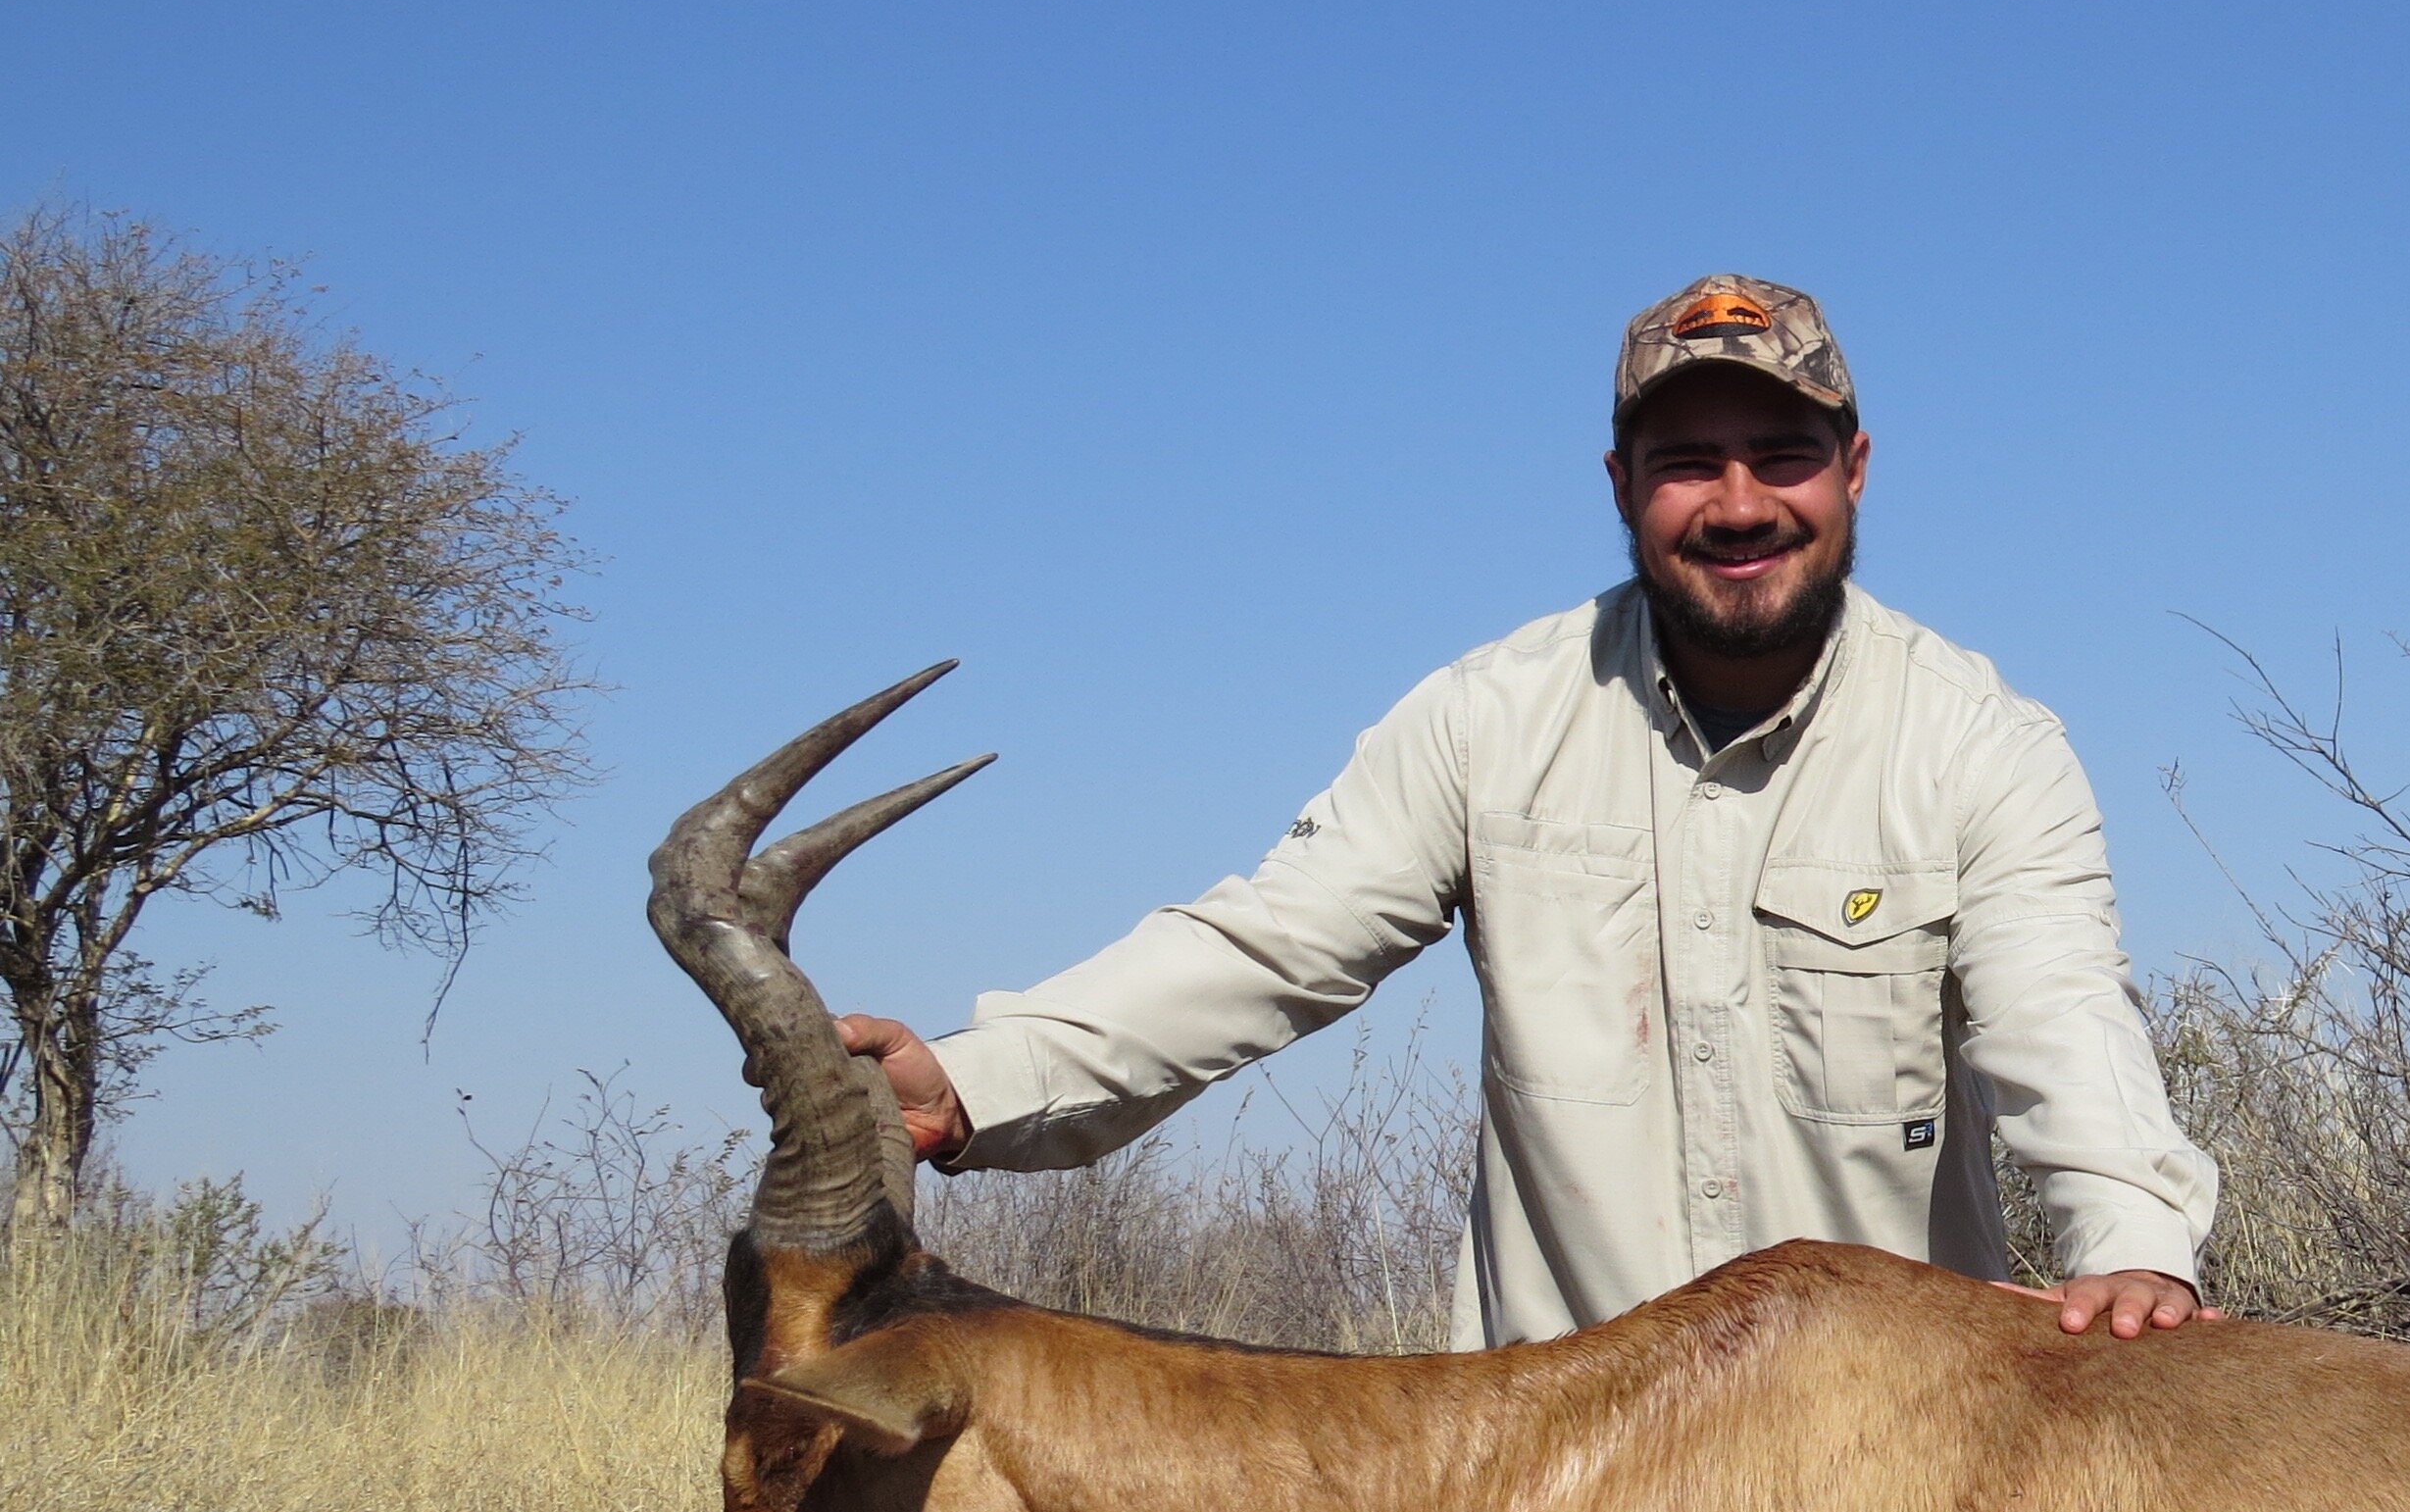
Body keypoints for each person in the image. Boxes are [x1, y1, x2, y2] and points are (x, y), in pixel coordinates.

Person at [829, 272, 2225, 1351]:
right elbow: (1269, 945)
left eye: (1780, 454)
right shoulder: (1490, 720)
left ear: (1853, 470)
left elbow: (2062, 1015)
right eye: (1688, 462)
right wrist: (972, 1083)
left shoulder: (1981, 744)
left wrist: (2135, 1241)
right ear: (1621, 486)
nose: (1739, 504)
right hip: (1561, 1458)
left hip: (1891, 1462)